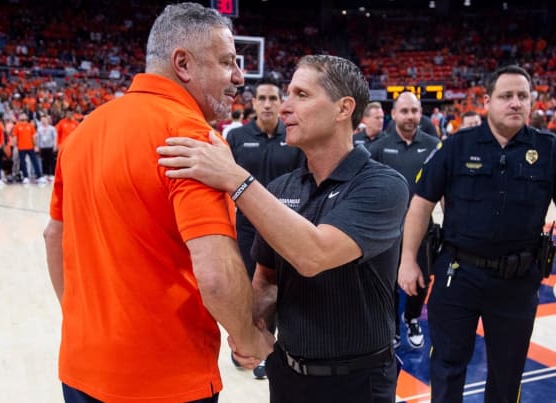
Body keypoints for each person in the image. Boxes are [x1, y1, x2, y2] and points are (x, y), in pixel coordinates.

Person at [43, 3, 273, 403]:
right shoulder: (191, 140)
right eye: (226, 62)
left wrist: (86, 322)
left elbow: (53, 236)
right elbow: (215, 273)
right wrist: (247, 337)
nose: (238, 76)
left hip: (81, 367)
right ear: (182, 63)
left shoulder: (84, 132)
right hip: (166, 377)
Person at [159, 54, 410, 403]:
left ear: (343, 108)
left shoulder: (383, 186)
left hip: (357, 381)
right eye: (286, 95)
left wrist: (235, 178)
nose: (284, 107)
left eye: (301, 95)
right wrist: (251, 330)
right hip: (287, 374)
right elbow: (268, 279)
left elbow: (314, 254)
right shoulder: (281, 189)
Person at [398, 65, 556, 403]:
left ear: (532, 103)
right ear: (488, 102)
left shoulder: (549, 150)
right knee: (447, 366)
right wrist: (407, 260)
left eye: (523, 96)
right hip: (457, 276)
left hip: (517, 281)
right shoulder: (457, 146)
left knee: (508, 373)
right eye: (507, 96)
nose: (516, 103)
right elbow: (421, 203)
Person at [224, 76, 304, 378]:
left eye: (273, 98)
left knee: (285, 289)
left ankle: (282, 349)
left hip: (287, 228)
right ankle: (252, 347)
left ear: (281, 102)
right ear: (253, 103)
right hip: (246, 228)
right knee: (250, 291)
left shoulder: (294, 137)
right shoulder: (236, 137)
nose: (268, 104)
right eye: (263, 99)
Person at [368, 91, 441, 350]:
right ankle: (392, 326)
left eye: (415, 111)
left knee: (422, 279)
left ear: (421, 113)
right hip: (387, 230)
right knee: (387, 281)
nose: (410, 116)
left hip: (423, 229)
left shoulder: (434, 146)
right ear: (394, 114)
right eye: (405, 111)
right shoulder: (377, 148)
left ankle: (411, 318)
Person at [11, 113, 44, 184]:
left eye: (24, 115)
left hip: (30, 147)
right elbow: (14, 137)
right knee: (23, 163)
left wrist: (35, 146)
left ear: (26, 117)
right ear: (19, 117)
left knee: (35, 161)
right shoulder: (16, 126)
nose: (23, 117)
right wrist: (15, 145)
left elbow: (34, 137)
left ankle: (39, 176)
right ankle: (25, 177)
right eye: (21, 115)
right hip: (21, 147)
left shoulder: (30, 126)